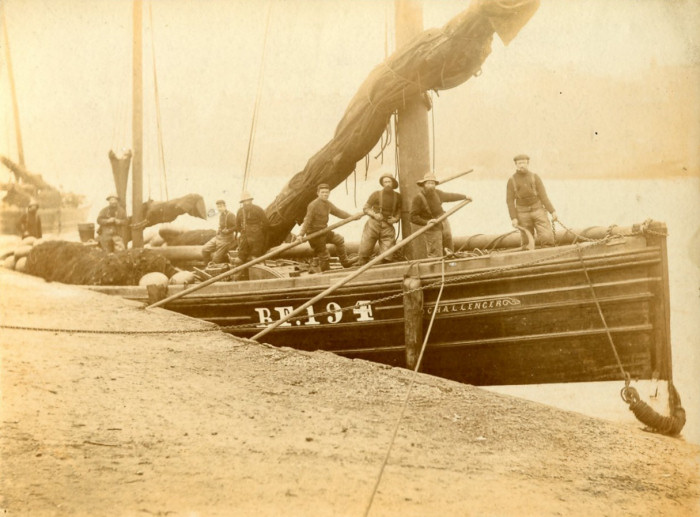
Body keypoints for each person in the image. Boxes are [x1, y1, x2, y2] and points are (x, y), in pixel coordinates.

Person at [296, 183, 355, 272]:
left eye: (327, 192)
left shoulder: (328, 204)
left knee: (339, 239)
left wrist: (352, 217)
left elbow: (339, 212)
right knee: (324, 256)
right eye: (322, 192)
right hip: (314, 235)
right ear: (318, 193)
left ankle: (345, 263)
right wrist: (300, 234)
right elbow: (307, 220)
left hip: (324, 231)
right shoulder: (313, 205)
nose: (325, 194)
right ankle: (326, 273)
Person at [410, 173, 469, 258]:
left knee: (449, 246)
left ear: (435, 185)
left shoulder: (438, 193)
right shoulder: (418, 198)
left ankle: (450, 264)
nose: (430, 185)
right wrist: (426, 222)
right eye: (428, 183)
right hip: (431, 227)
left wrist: (465, 196)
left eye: (432, 183)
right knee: (435, 251)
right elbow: (412, 217)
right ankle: (435, 268)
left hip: (443, 222)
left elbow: (450, 196)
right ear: (424, 185)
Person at [506, 154, 558, 248]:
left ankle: (548, 254)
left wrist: (552, 211)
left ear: (528, 163)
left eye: (524, 163)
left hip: (538, 210)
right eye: (519, 163)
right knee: (526, 241)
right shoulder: (511, 180)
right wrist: (513, 218)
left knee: (547, 236)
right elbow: (509, 201)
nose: (522, 165)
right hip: (522, 213)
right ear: (516, 165)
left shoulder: (535, 177)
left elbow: (543, 196)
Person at [357, 173, 401, 265]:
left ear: (393, 183)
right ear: (382, 184)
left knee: (388, 252)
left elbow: (399, 211)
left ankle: (383, 264)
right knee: (367, 243)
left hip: (388, 225)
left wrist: (395, 219)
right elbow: (366, 208)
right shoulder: (376, 194)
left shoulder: (398, 196)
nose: (387, 184)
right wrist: (374, 214)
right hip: (374, 223)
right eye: (385, 182)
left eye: (389, 181)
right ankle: (362, 262)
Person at [233, 191, 269, 280]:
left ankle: (257, 280)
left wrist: (258, 232)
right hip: (244, 239)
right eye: (244, 201)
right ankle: (238, 280)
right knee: (240, 259)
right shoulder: (240, 211)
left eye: (248, 200)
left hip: (257, 239)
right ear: (242, 202)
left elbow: (266, 224)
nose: (246, 203)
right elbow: (237, 225)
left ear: (251, 200)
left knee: (255, 259)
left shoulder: (258, 209)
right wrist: (242, 232)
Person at [202, 199, 237, 265]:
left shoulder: (230, 215)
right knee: (204, 249)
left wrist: (229, 230)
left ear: (225, 206)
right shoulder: (221, 215)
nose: (219, 208)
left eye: (221, 206)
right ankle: (207, 267)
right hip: (219, 237)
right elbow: (221, 226)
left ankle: (213, 270)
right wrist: (219, 229)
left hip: (227, 240)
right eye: (218, 207)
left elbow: (237, 226)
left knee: (216, 259)